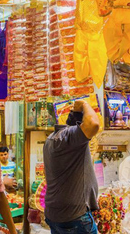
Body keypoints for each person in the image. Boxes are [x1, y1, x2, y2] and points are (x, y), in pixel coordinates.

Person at [43, 100, 101, 234]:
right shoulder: (69, 137)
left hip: (55, 213)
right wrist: (85, 104)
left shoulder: (51, 139)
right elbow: (93, 124)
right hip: (75, 217)